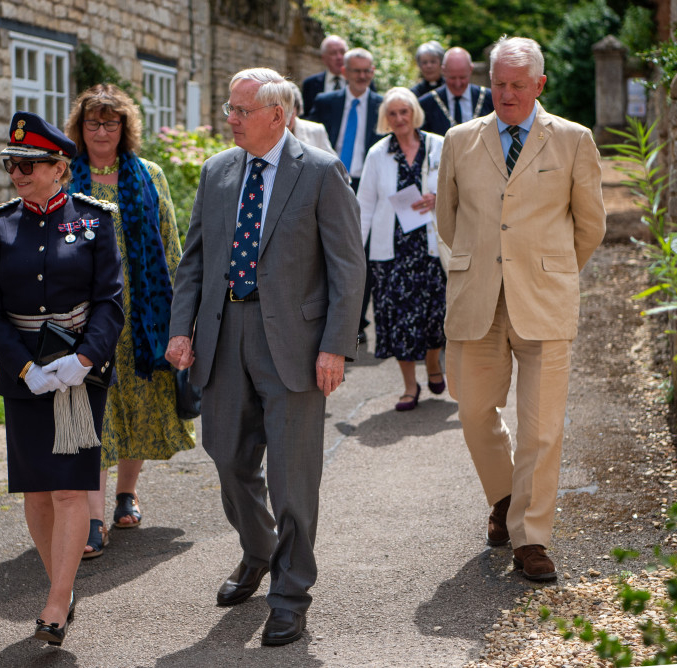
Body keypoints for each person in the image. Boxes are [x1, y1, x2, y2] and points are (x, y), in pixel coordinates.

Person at [165, 68, 365, 646]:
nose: (230, 119)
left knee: (292, 476)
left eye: (240, 111)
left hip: (296, 346)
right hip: (226, 336)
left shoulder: (322, 173)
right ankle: (258, 550)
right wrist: (183, 330)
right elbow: (195, 261)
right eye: (229, 109)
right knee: (226, 455)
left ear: (277, 116)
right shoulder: (217, 171)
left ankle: (290, 591)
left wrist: (334, 346)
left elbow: (348, 271)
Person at [435, 36, 606, 582]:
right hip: (476, 300)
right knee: (473, 412)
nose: (506, 94)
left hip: (545, 301)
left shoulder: (574, 141)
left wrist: (549, 268)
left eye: (517, 85)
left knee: (541, 429)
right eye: (498, 84)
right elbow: (448, 218)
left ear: (540, 85)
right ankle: (506, 498)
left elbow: (591, 225)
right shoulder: (460, 141)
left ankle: (531, 538)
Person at [0, 111, 124, 645]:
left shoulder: (94, 219)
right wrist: (24, 367)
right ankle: (59, 583)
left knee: (68, 491)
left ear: (59, 167)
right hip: (25, 377)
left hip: (80, 376)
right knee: (36, 493)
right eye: (12, 164)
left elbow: (110, 300)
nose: (17, 173)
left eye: (29, 164)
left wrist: (84, 360)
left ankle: (57, 603)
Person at [63, 84, 196, 559]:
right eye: (93, 123)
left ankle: (127, 494)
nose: (101, 131)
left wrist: (185, 313)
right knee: (97, 412)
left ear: (125, 128)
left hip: (142, 313)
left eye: (111, 123)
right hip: (85, 317)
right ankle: (93, 519)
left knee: (135, 407)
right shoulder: (65, 177)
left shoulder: (150, 175)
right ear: (80, 129)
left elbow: (170, 242)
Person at [356, 88, 446, 411]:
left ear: (414, 114)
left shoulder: (439, 145)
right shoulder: (378, 154)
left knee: (437, 318)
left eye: (404, 112)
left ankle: (434, 363)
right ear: (385, 119)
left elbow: (461, 187)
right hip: (392, 253)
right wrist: (356, 251)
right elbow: (364, 204)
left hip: (432, 248)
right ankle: (410, 386)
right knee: (399, 321)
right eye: (392, 114)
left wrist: (440, 199)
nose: (399, 119)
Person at [310, 47, 384, 344]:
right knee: (325, 248)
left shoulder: (382, 105)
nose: (362, 76)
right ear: (345, 73)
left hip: (367, 182)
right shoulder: (326, 102)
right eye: (357, 71)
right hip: (332, 178)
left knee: (359, 251)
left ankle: (356, 322)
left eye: (367, 71)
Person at [419, 47, 494, 136]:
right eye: (452, 78)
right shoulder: (426, 104)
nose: (457, 84)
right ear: (443, 71)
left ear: (471, 70)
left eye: (462, 77)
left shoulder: (490, 98)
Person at [301, 35, 348, 116]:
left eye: (342, 52)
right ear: (324, 58)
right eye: (333, 53)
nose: (339, 57)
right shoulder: (310, 84)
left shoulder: (360, 82)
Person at [287, 82, 335, 155]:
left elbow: (332, 164)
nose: (284, 119)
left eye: (288, 113)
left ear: (297, 109)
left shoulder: (316, 131)